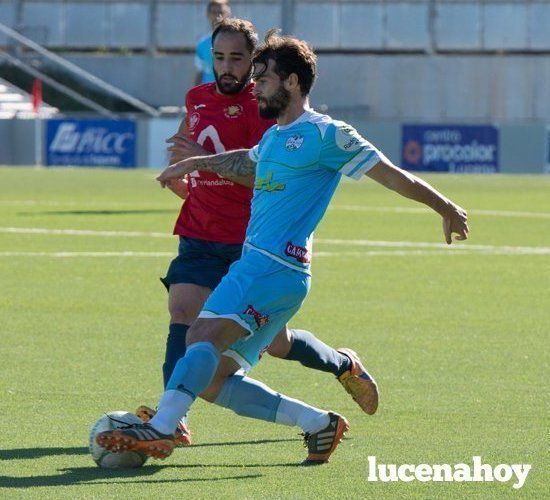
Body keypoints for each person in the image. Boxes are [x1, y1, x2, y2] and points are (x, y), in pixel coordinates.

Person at [98, 30, 469, 466]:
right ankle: (317, 423)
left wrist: (444, 205)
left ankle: (160, 429)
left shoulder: (329, 135)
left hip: (270, 268)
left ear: (292, 82)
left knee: (198, 335)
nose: (255, 85)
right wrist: (195, 162)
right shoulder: (274, 137)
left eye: (264, 78)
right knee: (214, 382)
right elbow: (245, 162)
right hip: (275, 274)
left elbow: (391, 173)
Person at [142, 18, 378, 448]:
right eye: (218, 58)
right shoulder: (197, 98)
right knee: (183, 313)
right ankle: (169, 418)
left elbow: (267, 171)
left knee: (278, 344)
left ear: (254, 64)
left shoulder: (267, 107)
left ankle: (342, 364)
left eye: (237, 59)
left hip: (250, 240)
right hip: (199, 228)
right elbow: (187, 138)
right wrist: (183, 168)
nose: (227, 67)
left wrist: (202, 160)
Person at [194, 1, 232, 86]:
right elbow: (200, 71)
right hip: (208, 93)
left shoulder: (237, 40)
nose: (218, 16)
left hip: (232, 92)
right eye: (214, 12)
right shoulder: (202, 43)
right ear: (208, 15)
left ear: (228, 14)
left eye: (221, 12)